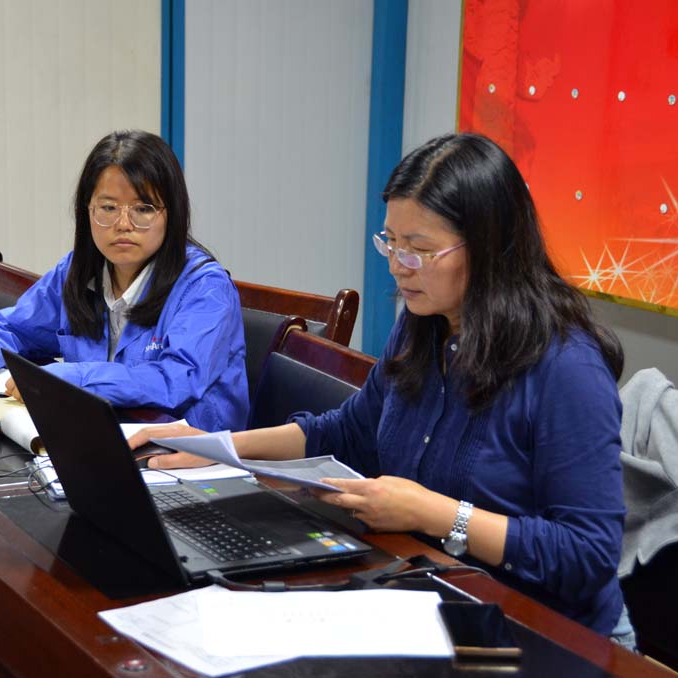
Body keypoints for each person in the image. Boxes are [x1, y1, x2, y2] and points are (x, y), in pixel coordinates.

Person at [131, 133, 636, 647]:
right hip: (435, 592)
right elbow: (348, 431)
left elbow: (589, 554)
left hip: (549, 632)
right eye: (391, 242)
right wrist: (214, 447)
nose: (397, 265)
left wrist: (436, 513)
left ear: (488, 248)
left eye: (419, 249)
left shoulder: (565, 366)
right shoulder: (423, 326)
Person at [0, 129, 248, 432]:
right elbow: (17, 328)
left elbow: (175, 379)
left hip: (184, 450)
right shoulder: (78, 271)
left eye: (143, 209)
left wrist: (75, 378)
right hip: (96, 434)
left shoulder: (205, 288)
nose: (123, 224)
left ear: (172, 213)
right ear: (87, 211)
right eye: (108, 208)